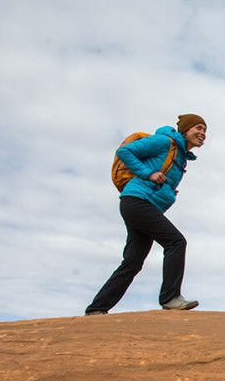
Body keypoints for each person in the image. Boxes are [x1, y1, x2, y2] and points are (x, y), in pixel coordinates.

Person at [85, 114, 207, 315]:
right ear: (185, 130)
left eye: (204, 130)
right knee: (176, 242)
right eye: (198, 128)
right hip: (137, 201)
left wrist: (168, 191)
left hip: (142, 204)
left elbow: (161, 180)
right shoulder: (164, 142)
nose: (202, 133)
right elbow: (125, 151)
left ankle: (96, 309)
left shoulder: (181, 157)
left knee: (132, 262)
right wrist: (148, 174)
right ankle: (170, 298)